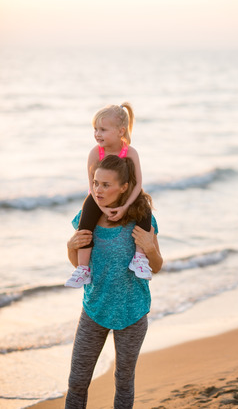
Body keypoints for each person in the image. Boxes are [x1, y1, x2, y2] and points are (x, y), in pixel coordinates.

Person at [65, 155, 163, 409]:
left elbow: (157, 266)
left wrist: (149, 248)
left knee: (123, 381)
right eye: (96, 183)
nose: (98, 190)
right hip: (94, 310)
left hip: (132, 312)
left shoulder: (142, 219)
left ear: (124, 187)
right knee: (77, 381)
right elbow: (81, 266)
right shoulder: (86, 217)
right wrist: (69, 247)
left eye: (106, 185)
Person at [65, 102, 152, 288]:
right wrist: (103, 207)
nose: (97, 134)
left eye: (103, 129)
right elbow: (91, 185)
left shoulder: (129, 152)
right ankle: (83, 269)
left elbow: (138, 184)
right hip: (99, 199)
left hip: (126, 196)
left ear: (121, 131)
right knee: (86, 218)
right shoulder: (96, 153)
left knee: (144, 205)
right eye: (95, 129)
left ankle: (139, 258)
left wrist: (125, 207)